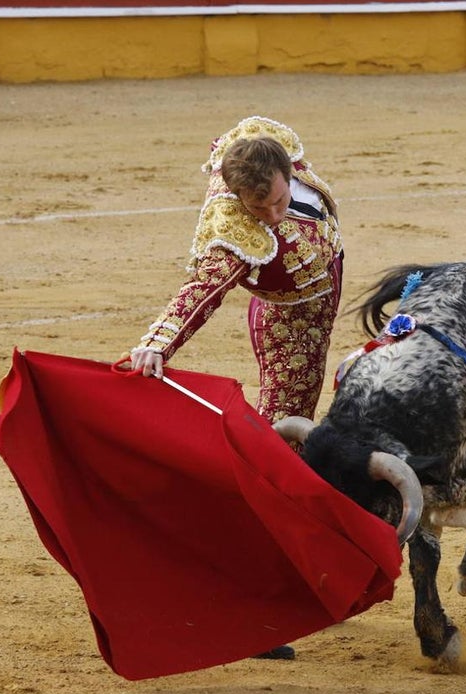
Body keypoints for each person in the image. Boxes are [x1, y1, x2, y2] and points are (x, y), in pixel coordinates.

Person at [122, 116, 345, 661]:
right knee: (276, 461)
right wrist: (157, 343)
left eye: (275, 200)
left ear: (286, 169)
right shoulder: (234, 231)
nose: (270, 216)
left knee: (289, 454)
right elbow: (199, 293)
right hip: (291, 331)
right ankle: (252, 605)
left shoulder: (265, 147)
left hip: (318, 314)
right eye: (258, 209)